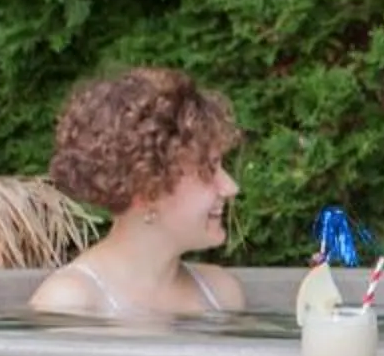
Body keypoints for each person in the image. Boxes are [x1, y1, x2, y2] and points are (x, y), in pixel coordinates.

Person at [27, 67, 248, 316]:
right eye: (208, 170)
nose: (230, 188)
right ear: (148, 186)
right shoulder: (71, 302)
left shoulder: (221, 294)